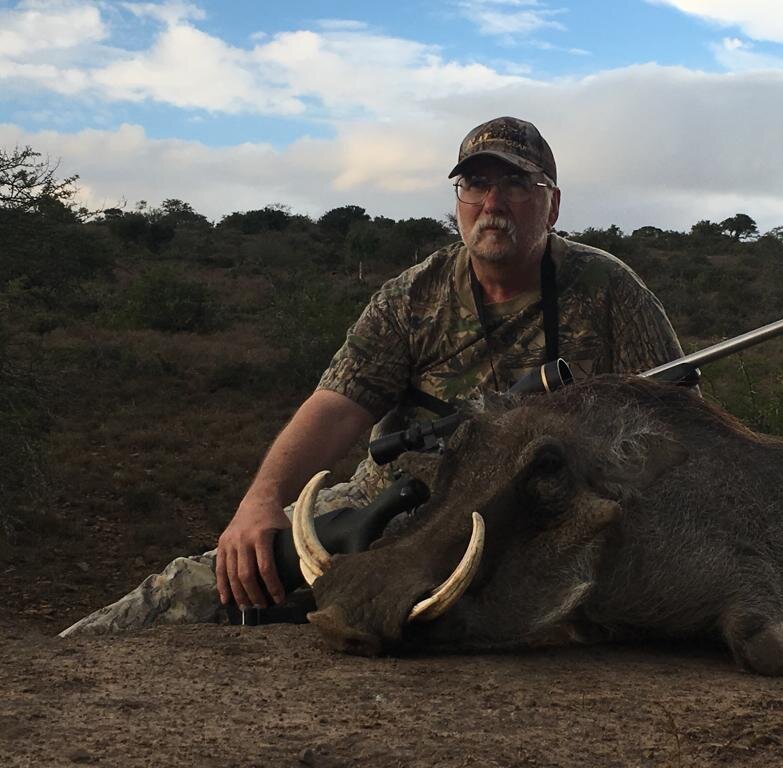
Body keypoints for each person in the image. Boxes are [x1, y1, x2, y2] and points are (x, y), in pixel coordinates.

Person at [60, 116, 682, 635]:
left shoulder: (612, 290)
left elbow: (680, 424)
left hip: (546, 516)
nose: (493, 204)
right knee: (201, 583)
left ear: (552, 206)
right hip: (404, 498)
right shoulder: (411, 296)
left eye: (517, 186)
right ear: (458, 203)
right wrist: (259, 503)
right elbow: (337, 406)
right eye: (475, 185)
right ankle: (68, 659)